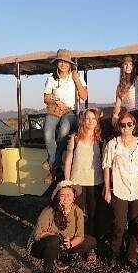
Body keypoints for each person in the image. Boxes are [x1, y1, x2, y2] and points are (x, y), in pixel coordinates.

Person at [102, 112, 138, 267]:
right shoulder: (113, 144)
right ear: (118, 126)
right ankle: (114, 254)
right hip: (119, 190)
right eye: (123, 125)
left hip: (137, 189)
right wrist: (107, 189)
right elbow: (107, 167)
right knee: (119, 224)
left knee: (135, 223)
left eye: (130, 124)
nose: (126, 127)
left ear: (134, 126)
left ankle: (131, 254)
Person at [29, 180, 97, 273]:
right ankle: (48, 269)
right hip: (43, 245)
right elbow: (38, 234)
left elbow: (80, 235)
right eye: (62, 195)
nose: (66, 198)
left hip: (65, 243)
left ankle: (63, 256)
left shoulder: (77, 211)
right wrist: (56, 237)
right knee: (53, 241)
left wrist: (70, 244)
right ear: (57, 196)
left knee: (91, 241)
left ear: (74, 196)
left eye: (69, 195)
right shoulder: (49, 211)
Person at [43, 49, 88, 182]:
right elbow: (46, 98)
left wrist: (77, 80)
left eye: (66, 62)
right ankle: (55, 164)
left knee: (63, 130)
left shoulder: (76, 76)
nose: (63, 65)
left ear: (70, 65)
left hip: (71, 111)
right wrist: (56, 101)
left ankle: (53, 164)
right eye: (60, 62)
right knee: (47, 133)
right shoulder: (51, 79)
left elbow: (84, 97)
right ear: (57, 64)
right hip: (55, 110)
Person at [64, 108, 105, 239]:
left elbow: (104, 163)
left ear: (97, 121)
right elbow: (69, 159)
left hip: (95, 182)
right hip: (77, 182)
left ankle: (91, 241)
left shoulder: (100, 140)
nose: (90, 121)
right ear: (83, 120)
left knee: (94, 214)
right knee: (78, 214)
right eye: (87, 118)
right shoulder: (75, 138)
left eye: (93, 118)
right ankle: (77, 239)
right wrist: (67, 181)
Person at [111, 55, 138, 141]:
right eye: (126, 64)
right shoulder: (120, 86)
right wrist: (115, 115)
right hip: (125, 113)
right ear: (122, 67)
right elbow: (118, 104)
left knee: (130, 119)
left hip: (137, 112)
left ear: (134, 67)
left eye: (130, 64)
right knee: (112, 121)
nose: (128, 67)